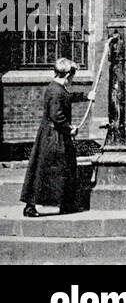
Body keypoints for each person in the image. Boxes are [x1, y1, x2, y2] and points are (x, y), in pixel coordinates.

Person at [20, 57, 82, 217]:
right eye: (72, 77)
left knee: (48, 169)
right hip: (54, 137)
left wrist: (86, 96)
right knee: (50, 170)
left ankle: (64, 204)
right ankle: (32, 206)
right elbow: (57, 115)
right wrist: (70, 129)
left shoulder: (55, 88)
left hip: (51, 136)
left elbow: (66, 98)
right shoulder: (56, 91)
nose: (72, 80)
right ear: (68, 75)